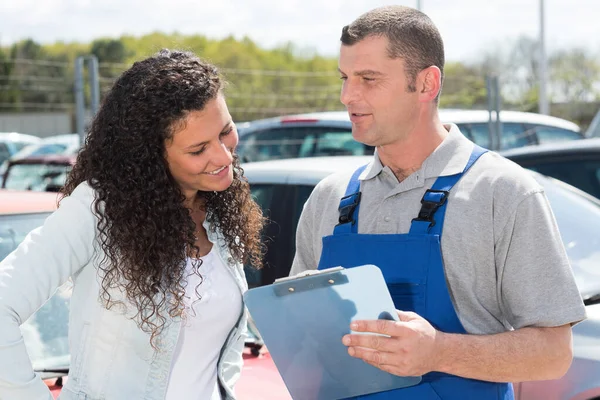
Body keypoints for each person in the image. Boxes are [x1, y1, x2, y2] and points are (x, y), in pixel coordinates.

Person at [290, 5, 586, 399]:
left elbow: (553, 354)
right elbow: (300, 342)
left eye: (368, 79)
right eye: (345, 78)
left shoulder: (503, 192)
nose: (348, 96)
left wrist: (438, 352)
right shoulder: (328, 198)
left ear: (427, 84)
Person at [0, 49, 264, 400]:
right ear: (150, 156)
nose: (223, 156)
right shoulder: (97, 210)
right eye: (198, 149)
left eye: (226, 131)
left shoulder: (218, 211)